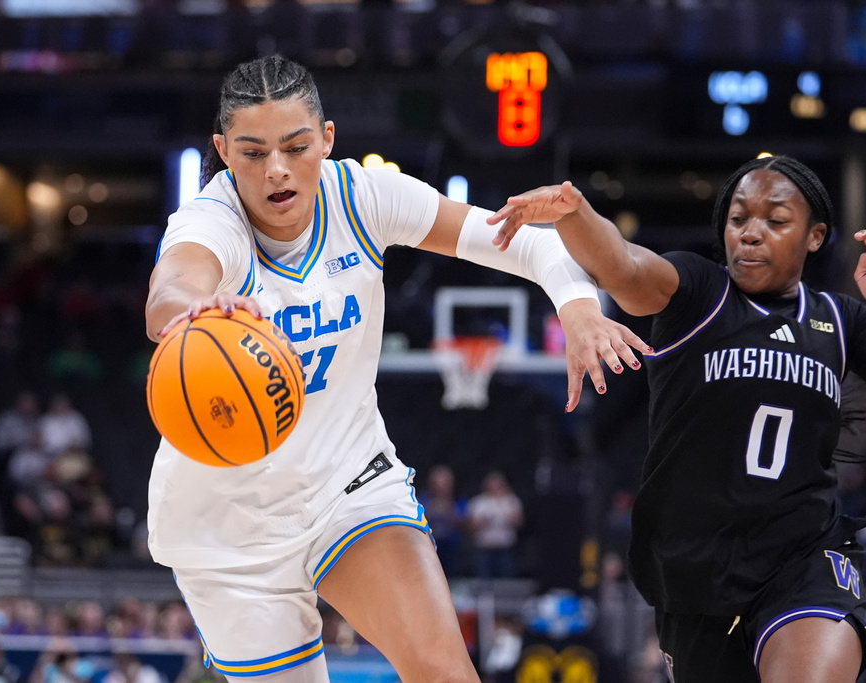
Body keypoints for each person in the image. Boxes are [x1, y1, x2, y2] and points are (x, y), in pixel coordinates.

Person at [142, 54, 646, 683]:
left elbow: (525, 237)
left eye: (296, 146)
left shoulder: (363, 196)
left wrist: (576, 310)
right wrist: (195, 308)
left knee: (445, 671)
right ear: (221, 150)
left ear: (326, 139)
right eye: (251, 152)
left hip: (346, 484)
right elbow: (171, 287)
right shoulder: (211, 221)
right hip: (228, 524)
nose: (276, 169)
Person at [488, 154, 866, 683]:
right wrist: (574, 212)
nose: (751, 233)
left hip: (802, 558)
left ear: (815, 237)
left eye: (776, 220)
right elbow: (623, 265)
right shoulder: (698, 291)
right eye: (738, 219)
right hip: (696, 572)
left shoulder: (840, 319)